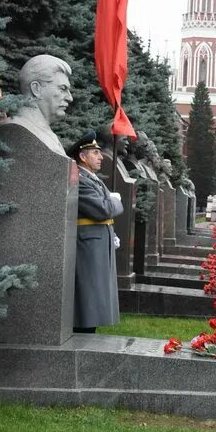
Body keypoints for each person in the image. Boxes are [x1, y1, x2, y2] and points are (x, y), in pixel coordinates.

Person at [67, 130, 123, 333]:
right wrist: (116, 200)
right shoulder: (81, 179)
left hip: (96, 241)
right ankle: (83, 333)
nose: (101, 157)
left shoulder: (90, 177)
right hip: (88, 245)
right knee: (89, 295)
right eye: (95, 153)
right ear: (82, 156)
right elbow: (103, 209)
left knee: (95, 293)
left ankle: (88, 331)